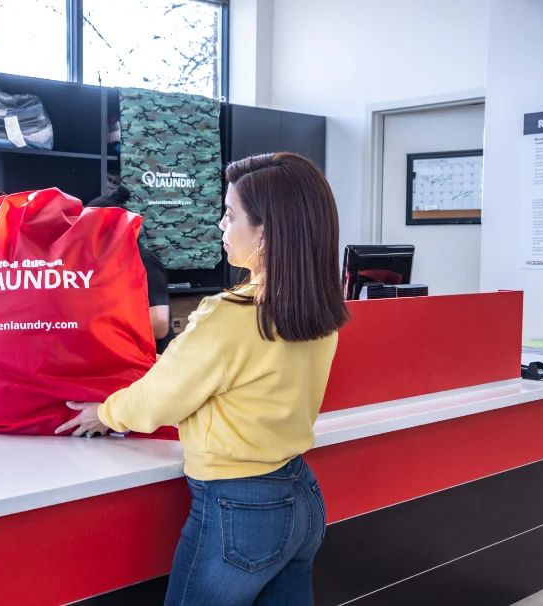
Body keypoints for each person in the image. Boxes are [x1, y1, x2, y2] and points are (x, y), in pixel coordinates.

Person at [58, 152, 349, 605]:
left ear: (267, 235)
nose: (220, 225)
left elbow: (160, 399)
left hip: (240, 506)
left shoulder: (228, 316)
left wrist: (104, 413)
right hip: (301, 497)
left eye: (230, 215)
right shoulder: (318, 310)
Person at [86, 186, 176, 354]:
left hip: (151, 361)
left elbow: (158, 326)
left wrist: (102, 328)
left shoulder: (145, 262)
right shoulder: (101, 262)